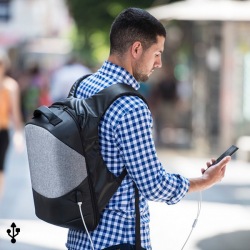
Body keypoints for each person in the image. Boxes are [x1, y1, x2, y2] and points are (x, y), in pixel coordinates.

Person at [66, 8, 230, 250]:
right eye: (157, 53)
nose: (159, 63)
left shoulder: (81, 87)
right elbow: (154, 185)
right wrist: (204, 181)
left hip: (79, 237)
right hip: (117, 241)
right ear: (136, 49)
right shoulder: (130, 106)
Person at [0, 50, 24, 200]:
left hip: (2, 132)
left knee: (0, 169)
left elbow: (15, 114)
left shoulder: (10, 86)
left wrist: (18, 134)